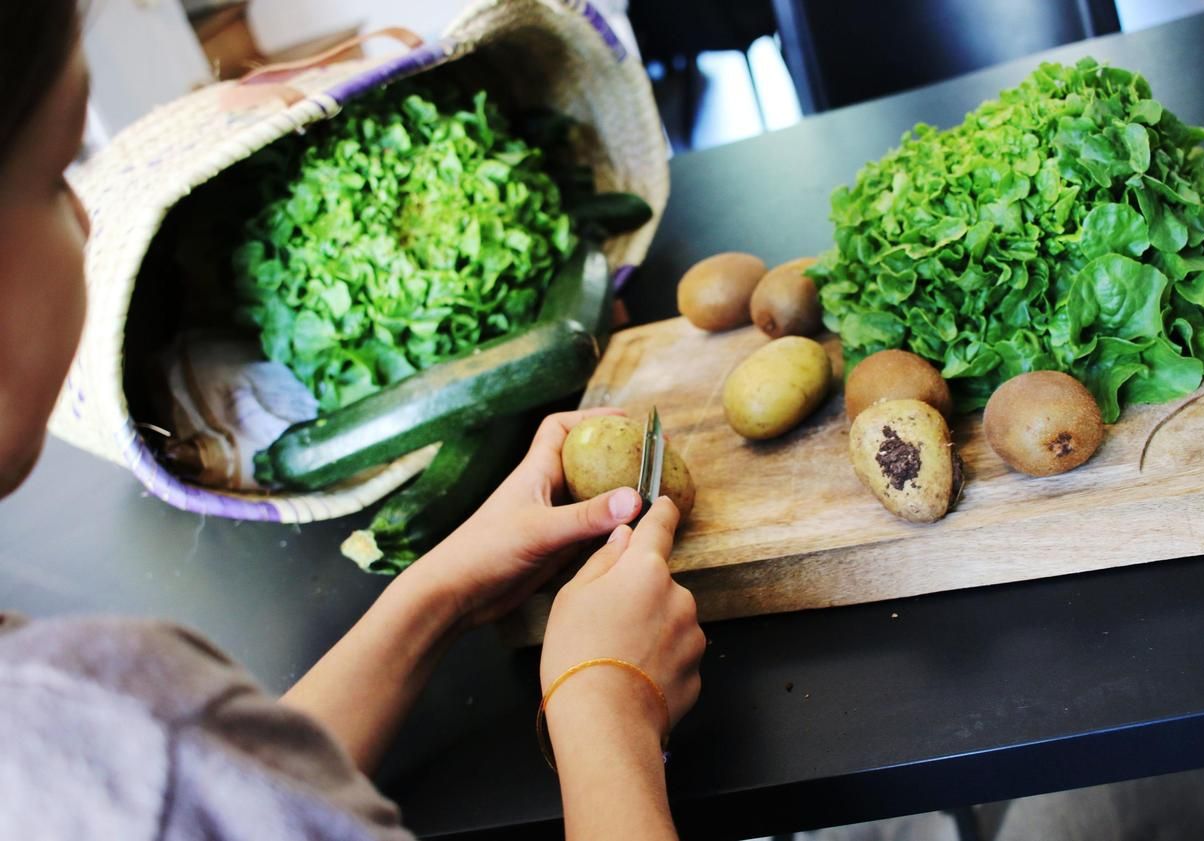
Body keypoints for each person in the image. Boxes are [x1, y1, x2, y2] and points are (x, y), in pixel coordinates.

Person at [0, 5, 705, 840]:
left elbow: (230, 793)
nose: (84, 223)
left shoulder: (87, 728)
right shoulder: (126, 727)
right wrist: (606, 706)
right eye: (54, 176)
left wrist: (438, 592)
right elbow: (180, 776)